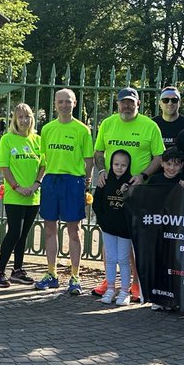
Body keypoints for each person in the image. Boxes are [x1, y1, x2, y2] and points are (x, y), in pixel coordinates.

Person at [92, 86, 164, 298]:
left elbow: (158, 157)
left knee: (133, 239)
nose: (126, 105)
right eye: (123, 101)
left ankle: (134, 283)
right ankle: (110, 280)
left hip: (137, 190)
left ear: (138, 104)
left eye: (131, 102)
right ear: (118, 103)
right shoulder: (108, 123)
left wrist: (142, 176)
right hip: (111, 189)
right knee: (110, 234)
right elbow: (98, 152)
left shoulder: (149, 126)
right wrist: (102, 169)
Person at [34, 88, 95, 295]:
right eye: (60, 102)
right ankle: (51, 273)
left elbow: (89, 160)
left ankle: (75, 277)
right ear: (55, 104)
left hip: (73, 182)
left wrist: (85, 183)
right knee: (49, 229)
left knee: (74, 231)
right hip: (51, 181)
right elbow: (43, 159)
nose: (64, 105)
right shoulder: (47, 129)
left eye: (68, 101)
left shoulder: (82, 130)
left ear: (74, 103)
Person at [0, 103, 44, 287]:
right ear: (15, 119)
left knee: (24, 235)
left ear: (32, 118)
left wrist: (36, 184)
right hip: (15, 195)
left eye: (27, 116)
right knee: (14, 232)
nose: (24, 120)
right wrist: (16, 187)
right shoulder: (8, 139)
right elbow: (4, 167)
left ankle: (17, 270)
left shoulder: (38, 140)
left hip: (33, 196)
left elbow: (43, 165)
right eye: (20, 117)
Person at [93, 150, 135, 305]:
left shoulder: (131, 182)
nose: (119, 168)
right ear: (111, 164)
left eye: (123, 165)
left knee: (123, 259)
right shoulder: (104, 180)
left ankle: (125, 291)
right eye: (116, 164)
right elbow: (97, 203)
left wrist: (127, 192)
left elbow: (134, 206)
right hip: (108, 227)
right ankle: (110, 288)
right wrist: (103, 221)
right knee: (110, 258)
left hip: (124, 229)